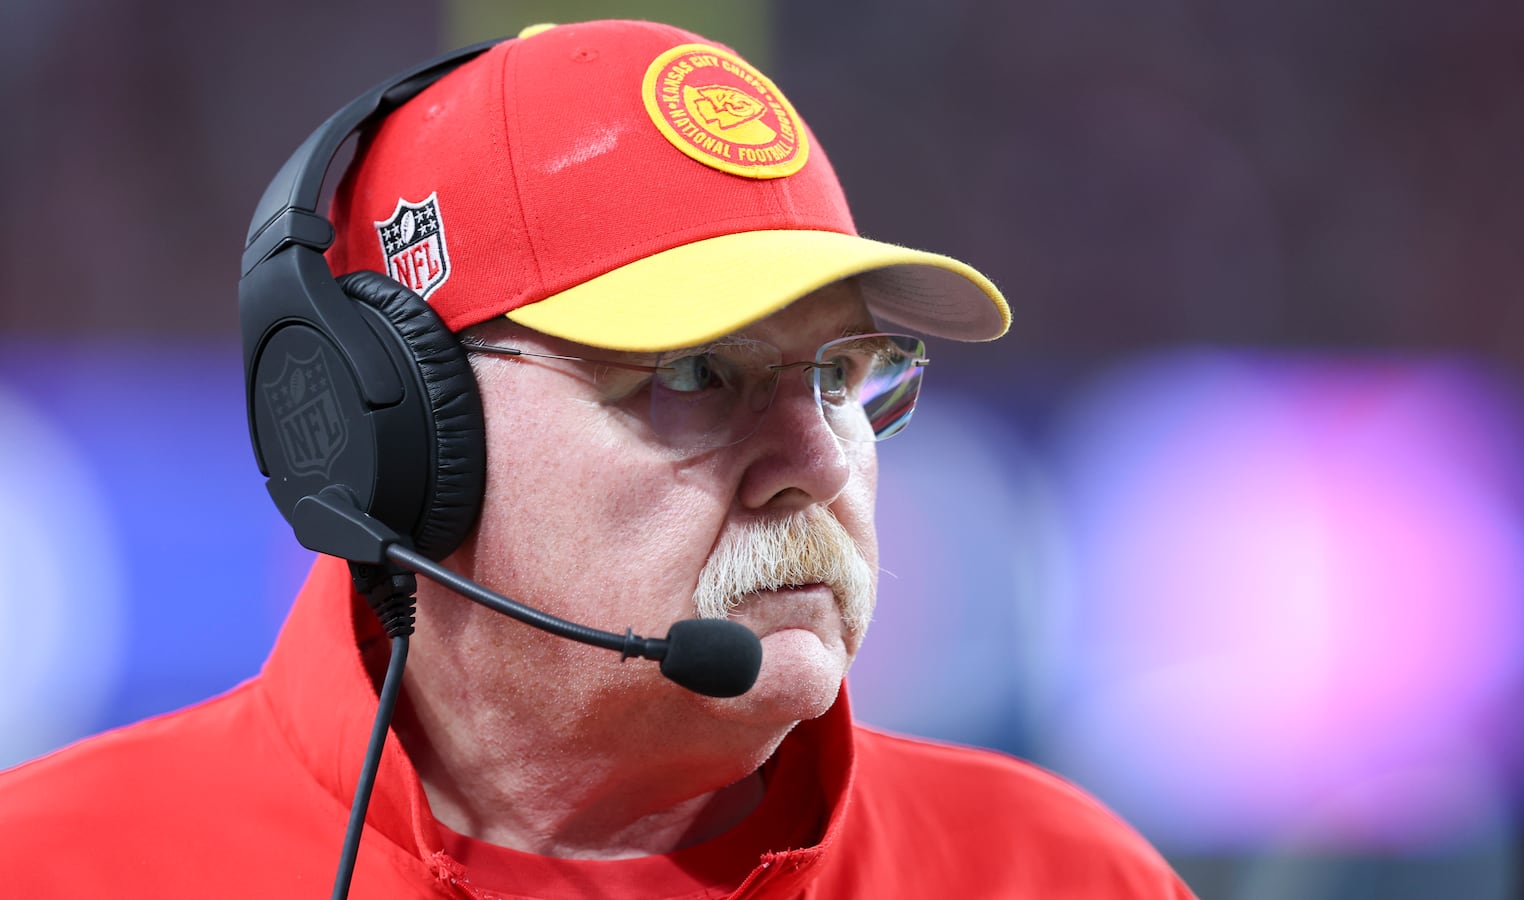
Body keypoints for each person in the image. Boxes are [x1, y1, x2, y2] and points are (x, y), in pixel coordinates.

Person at [0, 19, 1195, 898]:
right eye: (695, 374)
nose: (819, 461)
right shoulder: (55, 869)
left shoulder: (1066, 876)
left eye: (839, 378)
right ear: (400, 435)